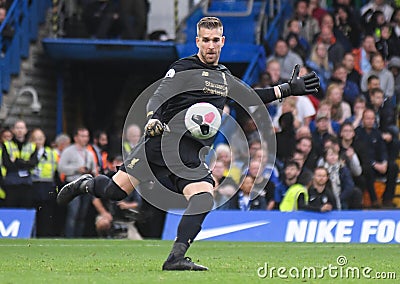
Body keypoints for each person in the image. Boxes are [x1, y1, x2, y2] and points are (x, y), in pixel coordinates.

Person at [57, 17, 319, 271]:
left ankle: (176, 257)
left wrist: (287, 89)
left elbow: (249, 97)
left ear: (223, 41)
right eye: (206, 40)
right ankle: (85, 183)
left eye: (215, 40)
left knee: (203, 198)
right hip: (161, 143)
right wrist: (152, 120)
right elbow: (157, 97)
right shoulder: (183, 68)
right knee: (115, 191)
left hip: (190, 152)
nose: (211, 45)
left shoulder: (223, 76)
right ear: (197, 41)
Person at [58, 127, 96, 237]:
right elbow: (61, 168)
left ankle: (78, 237)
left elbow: (94, 169)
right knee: (73, 214)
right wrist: (76, 169)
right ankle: (69, 237)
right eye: (82, 136)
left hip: (86, 186)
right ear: (76, 137)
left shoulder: (89, 152)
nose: (85, 139)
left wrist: (91, 171)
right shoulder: (68, 151)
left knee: (82, 215)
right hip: (73, 185)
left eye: (87, 136)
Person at [30, 128, 59, 237]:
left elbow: (56, 169)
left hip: (47, 185)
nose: (38, 141)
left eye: (40, 138)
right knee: (34, 211)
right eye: (35, 139)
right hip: (33, 184)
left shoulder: (51, 153)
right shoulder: (27, 152)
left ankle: (46, 234)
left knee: (47, 213)